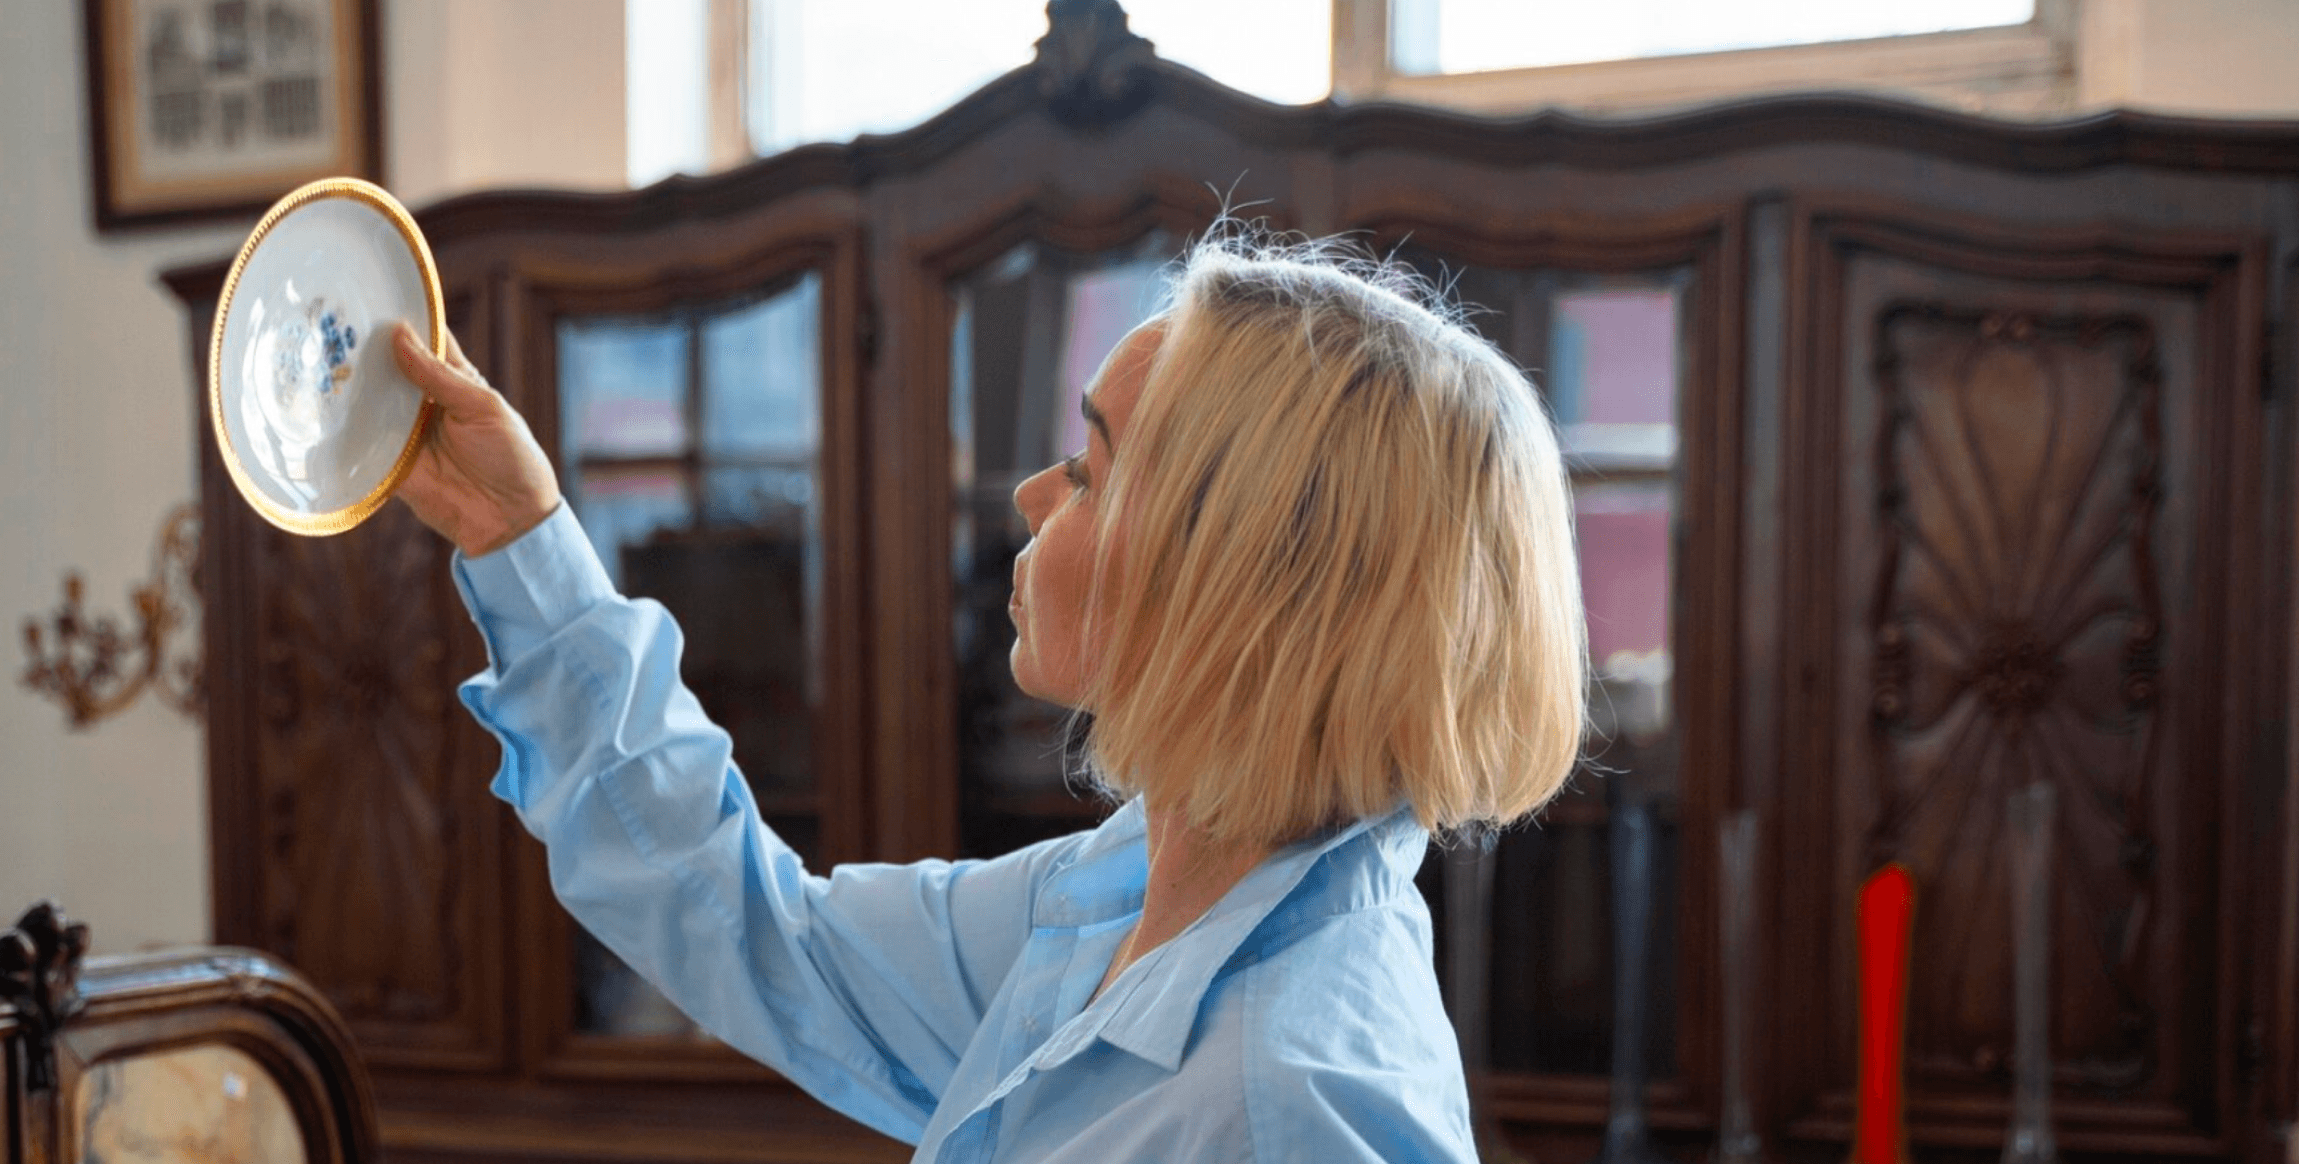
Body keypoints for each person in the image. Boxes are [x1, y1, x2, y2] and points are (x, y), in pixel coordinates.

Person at [385, 236, 1586, 1163]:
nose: (1027, 492)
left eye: (1091, 469)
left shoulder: (1291, 1109)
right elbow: (765, 932)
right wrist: (524, 536)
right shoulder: (1120, 901)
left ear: (1229, 583)